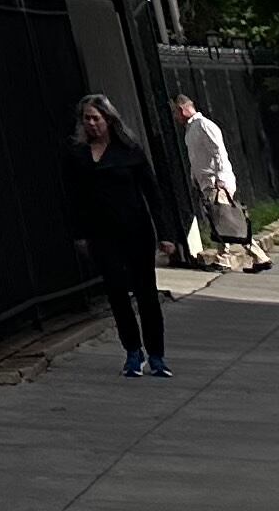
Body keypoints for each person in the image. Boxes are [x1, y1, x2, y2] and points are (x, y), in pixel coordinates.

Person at [66, 95, 179, 375]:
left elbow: (153, 193)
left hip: (135, 230)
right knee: (117, 293)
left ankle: (156, 354)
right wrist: (80, 235)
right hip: (101, 234)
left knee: (146, 293)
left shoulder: (129, 151)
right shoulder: (79, 155)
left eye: (96, 118)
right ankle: (132, 350)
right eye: (86, 119)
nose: (91, 124)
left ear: (108, 119)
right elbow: (75, 199)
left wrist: (165, 233)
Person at [173, 95, 273, 274]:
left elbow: (217, 150)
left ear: (182, 109)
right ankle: (245, 257)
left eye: (175, 112)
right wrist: (194, 177)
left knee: (225, 220)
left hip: (216, 182)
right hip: (207, 182)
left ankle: (241, 257)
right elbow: (196, 158)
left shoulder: (203, 125)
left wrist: (219, 178)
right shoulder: (191, 129)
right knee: (220, 220)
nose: (175, 117)